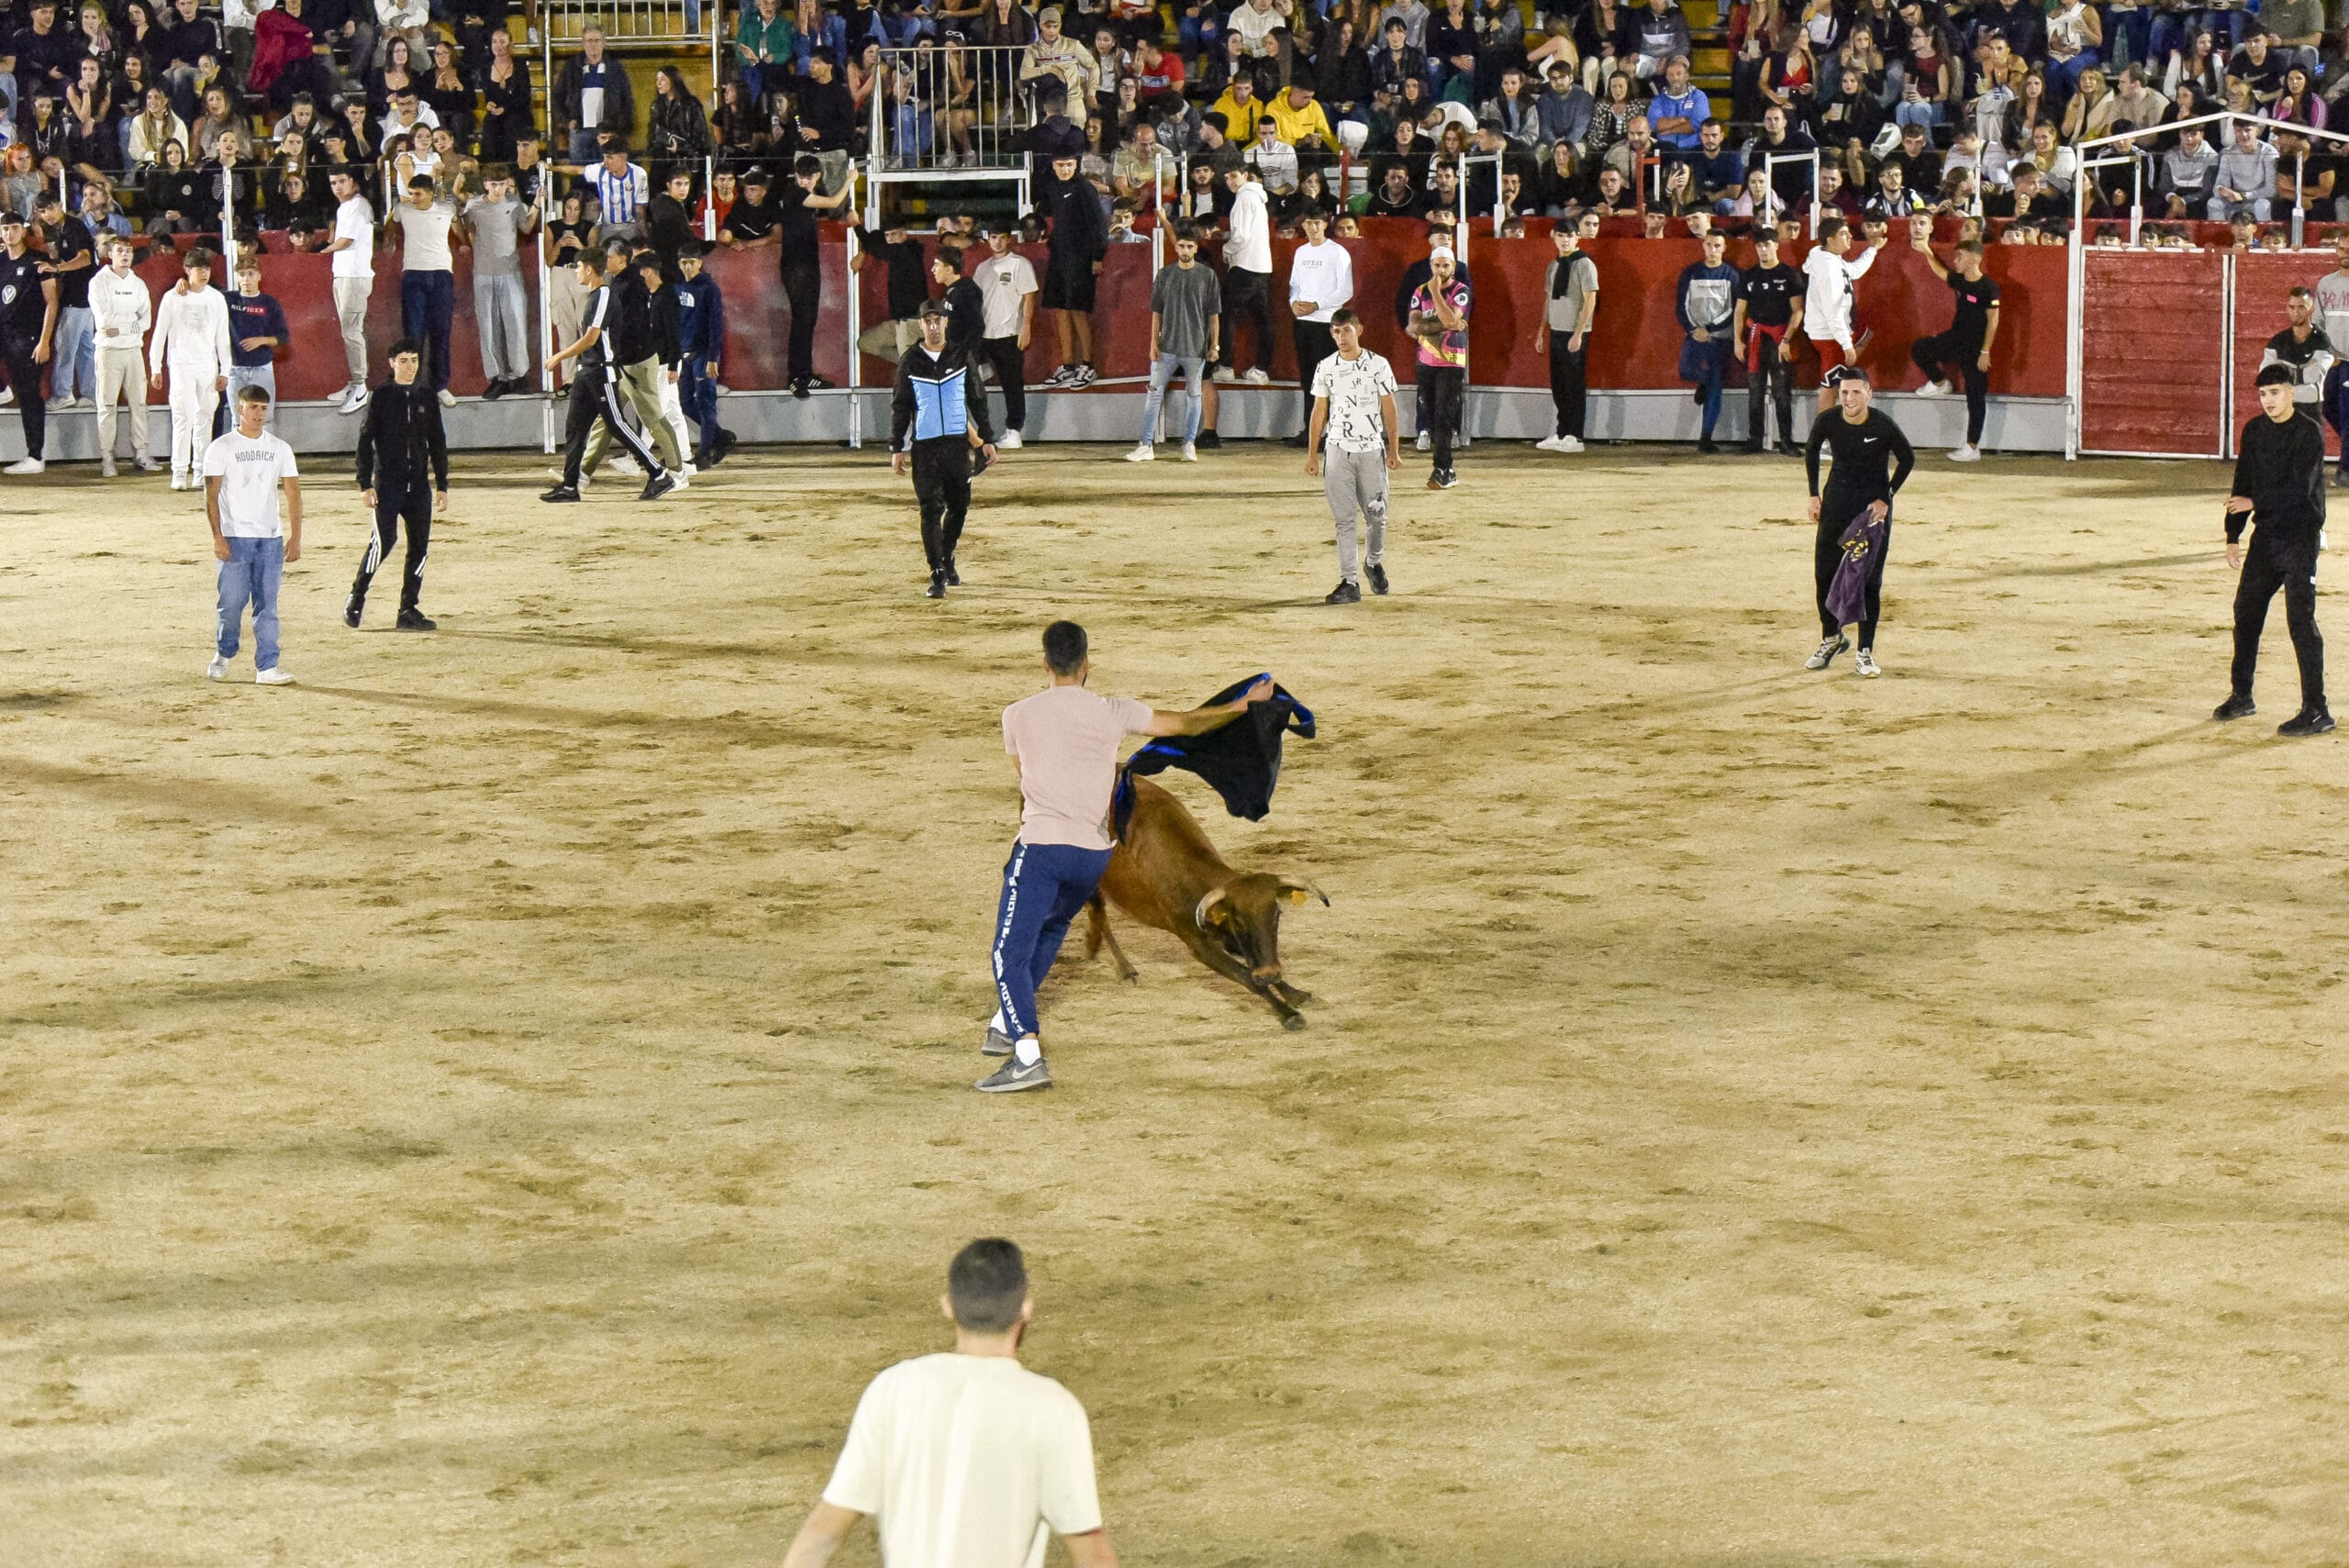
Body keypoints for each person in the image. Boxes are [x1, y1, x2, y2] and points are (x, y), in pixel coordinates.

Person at [977, 622, 1273, 1093]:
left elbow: (1026, 774)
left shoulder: (1015, 715)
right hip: (1092, 858)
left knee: (1007, 951)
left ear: (1046, 664)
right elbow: (1186, 723)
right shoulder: (1114, 711)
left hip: (1041, 852)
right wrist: (1242, 705)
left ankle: (1027, 1057)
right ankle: (1002, 1024)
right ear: (1087, 664)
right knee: (1050, 930)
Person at [774, 1239, 1119, 1567]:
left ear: (948, 1306)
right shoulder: (1052, 1408)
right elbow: (1092, 1555)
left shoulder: (893, 1390)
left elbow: (822, 1536)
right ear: (1025, 1309)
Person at [2218, 363, 2332, 735]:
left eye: (2275, 393)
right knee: (2246, 613)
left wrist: (2254, 503)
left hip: (2299, 538)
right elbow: (2242, 482)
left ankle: (2317, 710)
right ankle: (2242, 696)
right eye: (2263, 394)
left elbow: (2300, 489)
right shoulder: (2254, 430)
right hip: (2266, 537)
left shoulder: (2308, 432)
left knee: (2300, 621)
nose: (2268, 401)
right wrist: (2233, 534)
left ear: (2291, 392)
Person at [540, 246, 676, 503]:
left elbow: (591, 338)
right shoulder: (597, 295)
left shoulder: (603, 295)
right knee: (575, 428)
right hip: (588, 370)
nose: (576, 271)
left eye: (579, 267)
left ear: (589, 269)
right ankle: (570, 486)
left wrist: (560, 356)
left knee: (616, 424)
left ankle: (658, 473)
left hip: (601, 370)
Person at [1804, 368, 1915, 679]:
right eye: (1844, 393)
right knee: (1824, 574)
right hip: (1835, 504)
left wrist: (1886, 498)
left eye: (1856, 392)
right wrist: (1813, 494)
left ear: (1869, 394)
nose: (1849, 398)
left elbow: (1907, 459)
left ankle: (1864, 652)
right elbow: (1811, 450)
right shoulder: (1828, 420)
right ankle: (1832, 638)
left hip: (1871, 512)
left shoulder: (1882, 424)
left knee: (1868, 581)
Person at [892, 299, 997, 600]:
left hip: (956, 445)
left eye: (938, 320)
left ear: (946, 322)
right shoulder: (911, 360)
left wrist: (986, 438)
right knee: (930, 509)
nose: (933, 326)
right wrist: (897, 446)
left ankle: (947, 554)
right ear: (921, 325)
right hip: (925, 448)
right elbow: (901, 405)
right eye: (928, 321)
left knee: (959, 505)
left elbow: (977, 398)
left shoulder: (961, 355)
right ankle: (937, 571)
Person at [346, 337, 448, 632]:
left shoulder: (427, 396)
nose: (409, 366)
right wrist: (365, 483)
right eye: (403, 361)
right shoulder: (381, 396)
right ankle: (357, 596)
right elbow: (366, 440)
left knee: (420, 547)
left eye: (414, 360)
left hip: (418, 484)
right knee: (383, 542)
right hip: (388, 484)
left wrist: (442, 484)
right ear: (392, 363)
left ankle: (408, 608)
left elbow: (437, 441)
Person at [202, 383, 301, 686]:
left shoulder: (280, 448)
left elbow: (293, 493)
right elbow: (211, 495)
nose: (258, 414)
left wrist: (295, 536)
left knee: (267, 605)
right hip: (235, 537)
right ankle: (225, 651)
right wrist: (218, 537)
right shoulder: (221, 448)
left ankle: (267, 666)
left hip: (270, 538)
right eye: (253, 407)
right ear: (240, 408)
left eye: (263, 408)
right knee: (231, 603)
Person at [1306, 306, 1401, 604]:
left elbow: (1389, 408)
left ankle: (1373, 561)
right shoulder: (1325, 367)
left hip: (1371, 449)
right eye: (1336, 331)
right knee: (1344, 520)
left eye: (1346, 330)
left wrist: (1394, 448)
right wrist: (1312, 454)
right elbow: (1319, 410)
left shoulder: (1378, 365)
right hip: (1337, 450)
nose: (1341, 337)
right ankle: (1349, 581)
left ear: (1358, 330)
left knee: (1377, 517)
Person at [1126, 217, 1219, 463]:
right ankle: (1146, 444)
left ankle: (1188, 444)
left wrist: (1214, 345)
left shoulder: (1207, 276)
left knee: (1193, 396)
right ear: (1176, 247)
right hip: (1167, 346)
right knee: (1155, 395)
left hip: (1195, 348)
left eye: (1189, 246)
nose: (1185, 250)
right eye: (1181, 246)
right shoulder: (1165, 274)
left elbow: (1214, 315)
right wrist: (1153, 343)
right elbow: (1156, 312)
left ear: (1195, 248)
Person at [1909, 233, 2000, 463]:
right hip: (1955, 338)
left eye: (1960, 256)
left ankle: (1972, 447)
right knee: (1920, 348)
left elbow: (1993, 321)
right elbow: (1941, 272)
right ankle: (1940, 383)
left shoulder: (1988, 287)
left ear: (1974, 258)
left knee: (1975, 395)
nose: (1955, 260)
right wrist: (1927, 251)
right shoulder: (1960, 280)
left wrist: (1985, 351)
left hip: (1975, 348)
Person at [150, 246, 231, 491]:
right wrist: (155, 367)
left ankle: (200, 470)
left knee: (205, 417)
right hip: (181, 364)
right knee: (182, 417)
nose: (203, 273)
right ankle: (178, 471)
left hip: (207, 365)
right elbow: (159, 334)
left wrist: (224, 370)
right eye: (198, 269)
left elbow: (223, 337)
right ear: (187, 270)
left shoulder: (216, 298)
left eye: (206, 269)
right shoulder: (172, 298)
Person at [464, 166, 537, 398]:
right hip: (484, 273)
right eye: (493, 184)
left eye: (501, 184)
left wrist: (537, 204)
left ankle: (519, 376)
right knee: (488, 326)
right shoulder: (473, 206)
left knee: (516, 323)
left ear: (507, 183)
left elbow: (526, 227)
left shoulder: (514, 204)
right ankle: (497, 378)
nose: (497, 189)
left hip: (510, 272)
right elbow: (468, 230)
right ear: (486, 184)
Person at [1284, 206, 1351, 446]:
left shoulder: (1337, 252)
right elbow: (1295, 285)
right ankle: (1311, 431)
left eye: (1317, 223)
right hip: (1303, 323)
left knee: (1329, 381)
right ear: (1303, 225)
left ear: (1325, 224)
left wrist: (1317, 305)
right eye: (1309, 223)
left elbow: (1346, 290)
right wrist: (1294, 303)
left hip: (1326, 323)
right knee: (1308, 379)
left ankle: (1333, 432)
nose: (1313, 228)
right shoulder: (1301, 252)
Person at [91, 235, 156, 477]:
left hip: (133, 350)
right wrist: (131, 323)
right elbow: (104, 322)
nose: (125, 255)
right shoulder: (99, 282)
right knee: (107, 405)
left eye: (128, 250)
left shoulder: (138, 283)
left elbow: (146, 320)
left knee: (139, 404)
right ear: (110, 254)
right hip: (108, 350)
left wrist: (123, 328)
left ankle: (141, 454)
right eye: (120, 250)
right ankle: (107, 458)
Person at [1801, 216, 1883, 411]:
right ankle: (1823, 430)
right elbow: (1833, 312)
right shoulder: (1829, 269)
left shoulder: (1827, 256)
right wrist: (1846, 345)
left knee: (1867, 334)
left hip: (1830, 331)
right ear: (1831, 240)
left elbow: (1853, 271)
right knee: (1830, 387)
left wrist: (1872, 249)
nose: (1850, 237)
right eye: (1844, 234)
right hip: (1830, 336)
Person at [1040, 152, 1106, 388]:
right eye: (1061, 165)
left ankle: (1087, 365)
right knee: (1060, 309)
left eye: (1069, 165)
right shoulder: (1053, 186)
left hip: (1081, 259)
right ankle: (1068, 365)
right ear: (1053, 165)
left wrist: (1097, 256)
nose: (1065, 169)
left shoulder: (1085, 189)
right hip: (1059, 257)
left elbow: (1098, 225)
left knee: (1078, 310)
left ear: (1076, 164)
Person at [1735, 228, 1803, 457]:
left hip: (1779, 337)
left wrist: (1786, 339)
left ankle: (1786, 441)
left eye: (1767, 245)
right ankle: (1755, 440)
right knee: (1755, 391)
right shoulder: (1749, 275)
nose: (1763, 250)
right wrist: (1738, 341)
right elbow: (1740, 310)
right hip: (1756, 338)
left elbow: (1797, 310)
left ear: (1776, 246)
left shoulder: (1789, 274)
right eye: (1759, 246)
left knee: (1782, 392)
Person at [392, 174, 459, 405]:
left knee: (441, 332)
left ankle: (440, 386)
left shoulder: (447, 209)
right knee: (413, 334)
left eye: (418, 194)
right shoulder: (402, 209)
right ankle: (414, 386)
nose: (413, 198)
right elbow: (390, 225)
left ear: (431, 193)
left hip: (442, 274)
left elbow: (460, 229)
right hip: (413, 275)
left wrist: (465, 243)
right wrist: (388, 240)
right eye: (411, 193)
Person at [1408, 243, 1469, 491]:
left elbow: (1451, 319)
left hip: (1451, 361)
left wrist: (1435, 294)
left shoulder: (1460, 290)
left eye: (1445, 265)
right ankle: (1445, 467)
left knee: (1444, 414)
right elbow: (1414, 327)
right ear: (1431, 266)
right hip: (1426, 360)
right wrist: (1445, 325)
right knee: (1432, 414)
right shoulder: (1419, 291)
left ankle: (1443, 467)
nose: (1441, 270)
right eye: (1437, 265)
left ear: (1453, 267)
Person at [0, 214, 59, 473]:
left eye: (14, 228)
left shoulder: (38, 261)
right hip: (4, 333)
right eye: (5, 228)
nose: (9, 233)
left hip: (29, 338)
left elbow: (52, 302)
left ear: (23, 231)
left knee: (28, 393)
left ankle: (35, 456)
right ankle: (2, 389)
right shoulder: (1, 261)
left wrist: (44, 341)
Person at [1533, 217, 1597, 455]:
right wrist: (1542, 330)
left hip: (1574, 331)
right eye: (1560, 236)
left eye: (1569, 236)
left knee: (1574, 384)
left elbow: (1590, 300)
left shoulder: (1584, 264)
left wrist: (1578, 333)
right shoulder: (1554, 265)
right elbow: (1549, 299)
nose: (1565, 240)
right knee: (1559, 384)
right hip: (1557, 330)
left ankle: (1575, 435)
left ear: (1577, 237)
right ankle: (1562, 432)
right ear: (1554, 237)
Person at [1675, 228, 1737, 454]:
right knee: (1686, 370)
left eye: (1717, 246)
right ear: (1703, 245)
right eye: (1709, 245)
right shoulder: (1691, 273)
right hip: (1695, 336)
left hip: (1720, 339)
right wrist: (1694, 329)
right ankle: (1702, 382)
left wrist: (1709, 329)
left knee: (1715, 386)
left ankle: (1706, 437)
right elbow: (1681, 306)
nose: (1713, 250)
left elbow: (1733, 309)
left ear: (1724, 247)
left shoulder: (1731, 274)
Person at [973, 226, 1037, 447]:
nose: (997, 242)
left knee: (1012, 384)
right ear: (988, 239)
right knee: (971, 380)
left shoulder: (1019, 264)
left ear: (1009, 239)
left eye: (1001, 237)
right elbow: (976, 300)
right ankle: (977, 430)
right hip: (984, 334)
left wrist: (1026, 327)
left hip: (1009, 333)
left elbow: (1029, 296)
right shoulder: (982, 268)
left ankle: (1014, 431)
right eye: (993, 237)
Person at [674, 240, 735, 469]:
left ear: (700, 263)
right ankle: (719, 436)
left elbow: (715, 325)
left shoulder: (709, 289)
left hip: (703, 354)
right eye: (684, 263)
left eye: (691, 262)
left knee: (705, 402)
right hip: (684, 353)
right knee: (685, 401)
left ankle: (704, 451)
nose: (687, 267)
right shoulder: (677, 287)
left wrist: (712, 358)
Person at [34, 190, 95, 411]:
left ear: (60, 204)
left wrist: (57, 268)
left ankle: (62, 394)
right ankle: (91, 394)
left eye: (50, 208)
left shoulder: (73, 227)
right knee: (86, 349)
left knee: (66, 347)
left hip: (77, 297)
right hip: (86, 298)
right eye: (42, 211)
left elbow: (85, 259)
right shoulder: (61, 229)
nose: (47, 214)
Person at [1215, 163, 1273, 384]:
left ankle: (1226, 366)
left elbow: (1241, 236)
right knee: (1263, 321)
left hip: (1244, 265)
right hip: (1262, 267)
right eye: (1227, 177)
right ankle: (1261, 369)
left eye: (1233, 175)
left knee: (1226, 313)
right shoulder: (1258, 198)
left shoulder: (1244, 198)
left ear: (1245, 175)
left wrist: (1226, 249)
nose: (1230, 181)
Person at [326, 166, 374, 414]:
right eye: (333, 183)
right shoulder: (344, 207)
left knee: (352, 332)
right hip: (343, 275)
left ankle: (360, 386)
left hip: (355, 277)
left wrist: (320, 252)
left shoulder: (359, 206)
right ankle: (354, 383)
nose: (338, 187)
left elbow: (347, 241)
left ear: (352, 181)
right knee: (349, 331)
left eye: (341, 181)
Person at [222, 252, 287, 430]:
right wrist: (184, 283)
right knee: (238, 419)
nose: (246, 279)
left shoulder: (269, 303)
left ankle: (266, 449)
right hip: (235, 369)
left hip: (261, 367)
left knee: (264, 419)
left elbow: (283, 336)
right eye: (242, 274)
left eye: (250, 274)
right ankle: (240, 449)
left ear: (259, 276)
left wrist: (262, 340)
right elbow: (203, 292)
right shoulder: (228, 299)